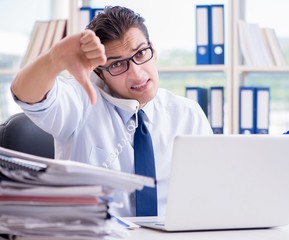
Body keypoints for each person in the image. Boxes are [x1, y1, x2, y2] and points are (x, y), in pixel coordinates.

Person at [11, 6, 213, 217]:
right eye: (117, 64)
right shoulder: (81, 103)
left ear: (153, 49)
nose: (136, 74)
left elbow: (213, 190)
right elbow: (26, 94)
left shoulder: (187, 114)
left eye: (141, 53)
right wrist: (55, 59)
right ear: (100, 72)